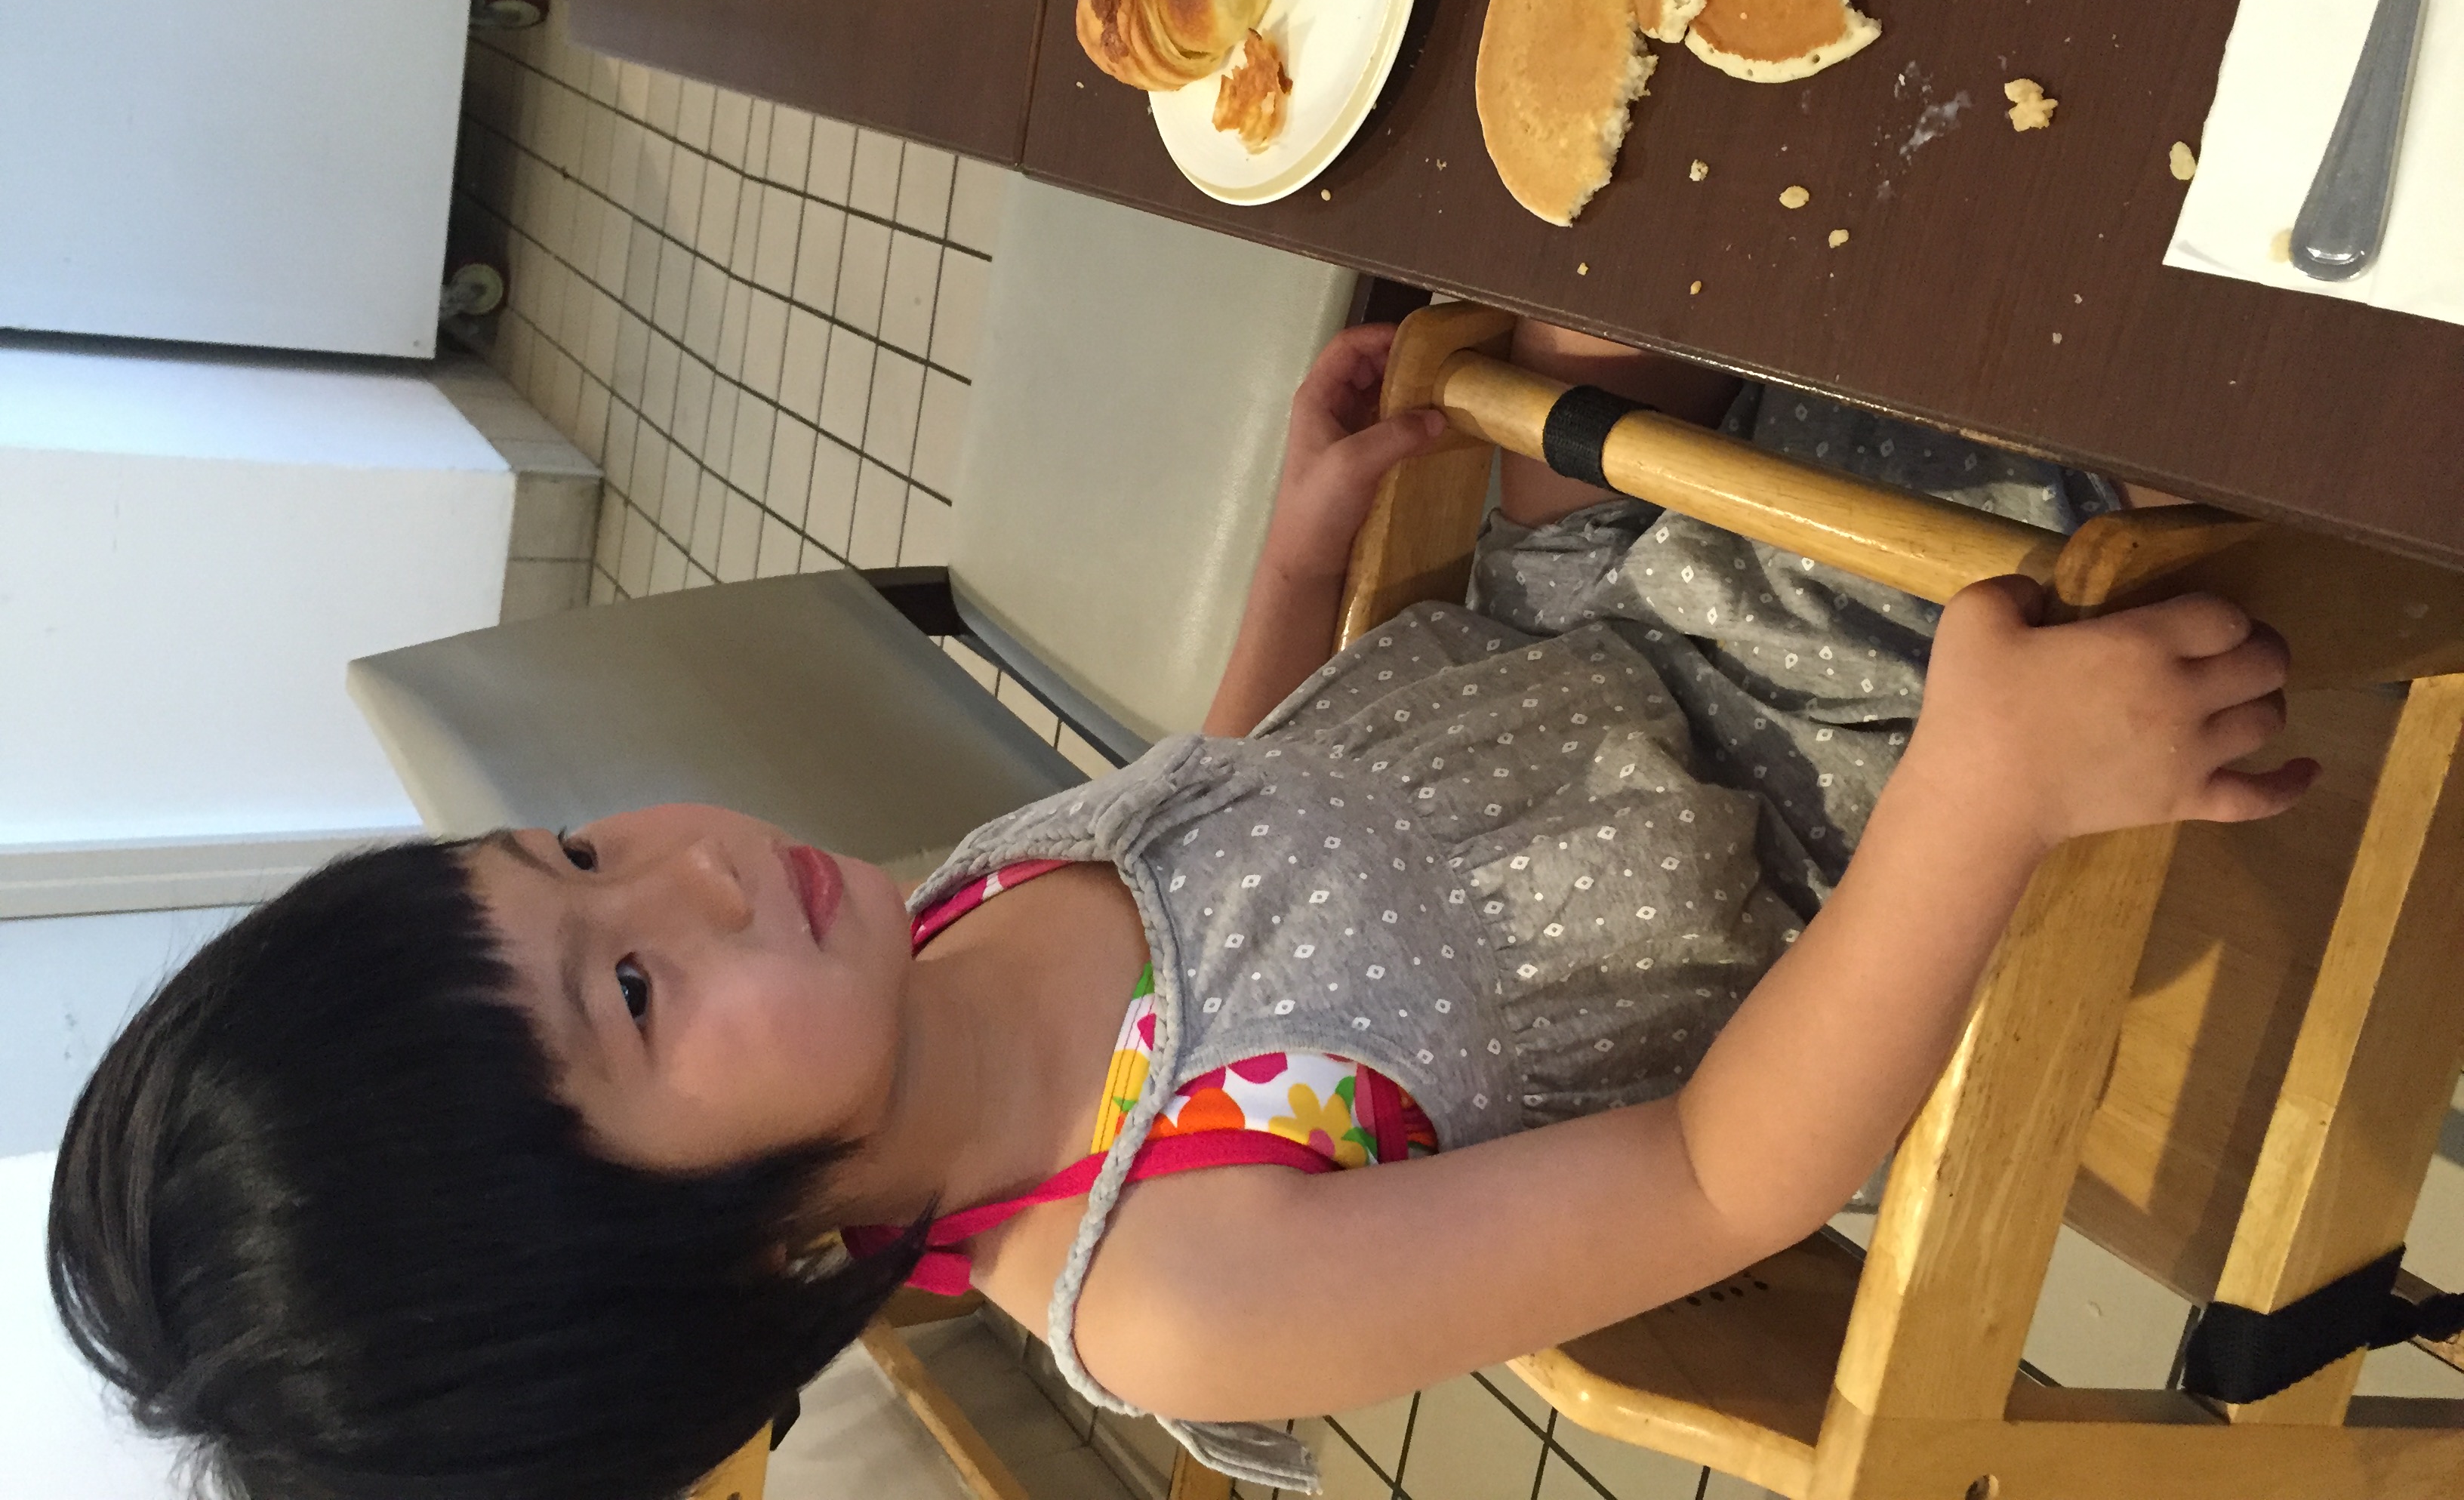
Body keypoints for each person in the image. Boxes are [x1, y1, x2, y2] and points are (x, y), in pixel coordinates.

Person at [47, 319, 2313, 1500]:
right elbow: (1730, 1173)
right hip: (1840, 801)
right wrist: (1985, 792)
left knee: (1658, 281)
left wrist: (1304, 554)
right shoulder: (1174, 1296)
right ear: (734, 1271)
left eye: (564, 853)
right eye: (628, 985)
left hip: (1589, 623)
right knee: (2137, 384)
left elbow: (1221, 801)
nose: (689, 862)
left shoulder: (924, 937)